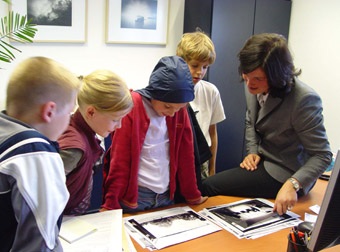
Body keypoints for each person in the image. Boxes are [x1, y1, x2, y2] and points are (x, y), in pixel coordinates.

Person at [202, 33, 332, 215]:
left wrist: (293, 184)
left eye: (257, 79)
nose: (249, 84)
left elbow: (323, 155)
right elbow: (251, 121)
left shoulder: (303, 99)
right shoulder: (252, 80)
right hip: (263, 162)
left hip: (287, 172)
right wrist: (253, 151)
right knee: (212, 187)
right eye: (246, 76)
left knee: (208, 185)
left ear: (277, 75)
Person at [101, 56, 207, 213]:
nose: (171, 113)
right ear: (155, 92)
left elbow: (186, 155)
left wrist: (192, 194)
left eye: (177, 109)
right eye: (167, 106)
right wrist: (111, 203)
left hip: (166, 195)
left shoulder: (179, 110)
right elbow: (120, 159)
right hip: (137, 197)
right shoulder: (134, 105)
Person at [0, 57, 80, 251]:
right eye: (69, 113)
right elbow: (40, 241)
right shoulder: (34, 152)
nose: (69, 121)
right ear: (50, 111)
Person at [58, 70, 133, 215]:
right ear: (91, 112)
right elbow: (43, 193)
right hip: (62, 221)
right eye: (115, 119)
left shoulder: (88, 134)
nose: (119, 126)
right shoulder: (73, 148)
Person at [176, 31, 226, 180]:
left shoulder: (211, 91)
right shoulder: (171, 92)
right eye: (195, 65)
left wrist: (212, 169)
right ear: (181, 61)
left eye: (205, 67)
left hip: (201, 160)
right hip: (177, 159)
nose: (200, 72)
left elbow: (213, 133)